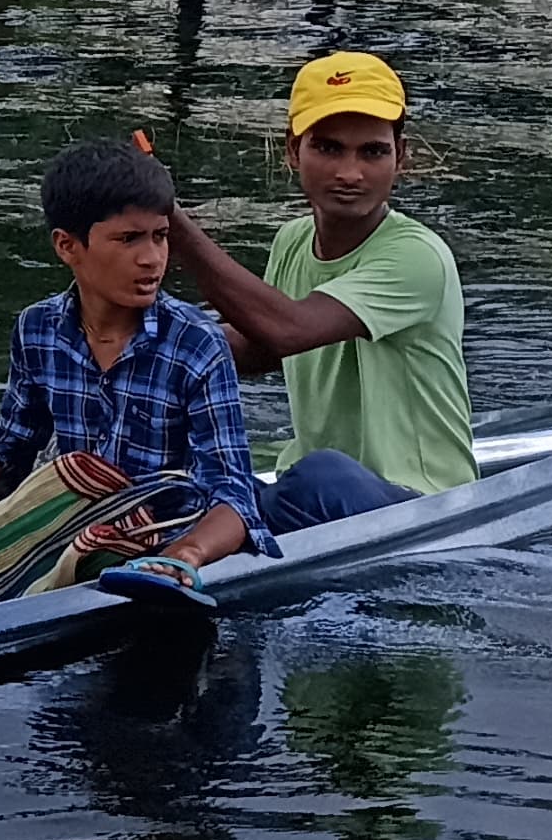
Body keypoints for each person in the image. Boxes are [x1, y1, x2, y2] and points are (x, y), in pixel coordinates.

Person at [0, 140, 259, 608]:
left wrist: (183, 557)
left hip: (156, 540)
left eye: (160, 236)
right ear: (67, 246)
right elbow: (6, 455)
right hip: (65, 524)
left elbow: (233, 494)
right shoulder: (38, 329)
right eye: (129, 239)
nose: (153, 258)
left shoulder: (194, 342)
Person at [161, 49, 473, 530]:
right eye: (328, 148)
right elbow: (258, 349)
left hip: (417, 503)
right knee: (171, 467)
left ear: (401, 157)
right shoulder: (292, 240)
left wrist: (174, 223)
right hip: (312, 494)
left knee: (322, 475)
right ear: (293, 150)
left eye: (372, 151)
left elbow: (287, 330)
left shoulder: (417, 256)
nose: (350, 173)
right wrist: (140, 334)